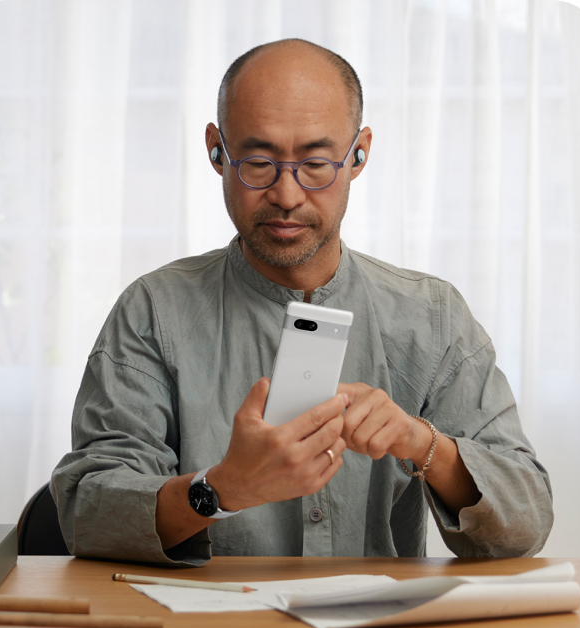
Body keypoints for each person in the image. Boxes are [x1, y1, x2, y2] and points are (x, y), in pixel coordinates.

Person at [51, 39, 553, 566]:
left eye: (316, 163)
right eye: (259, 161)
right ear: (216, 151)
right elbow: (87, 513)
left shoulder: (432, 317)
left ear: (358, 154)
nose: (287, 196)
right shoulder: (153, 311)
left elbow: (528, 520)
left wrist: (419, 442)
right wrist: (221, 490)